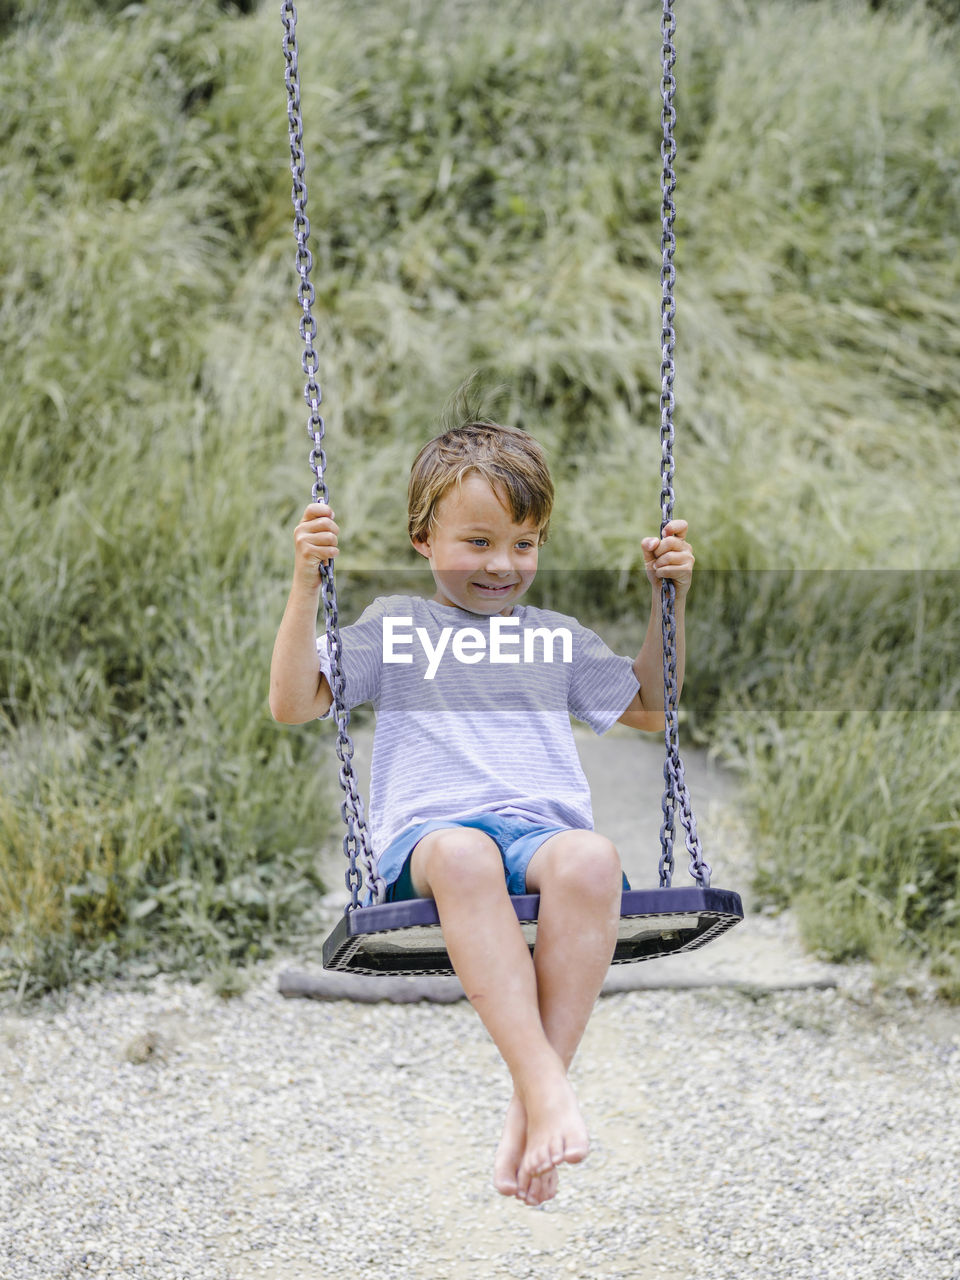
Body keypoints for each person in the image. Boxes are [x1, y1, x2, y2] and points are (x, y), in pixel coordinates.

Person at [269, 419, 694, 1208]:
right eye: (477, 542)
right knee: (464, 855)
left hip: (537, 834)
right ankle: (547, 1089)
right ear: (423, 539)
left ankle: (532, 1103)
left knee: (594, 859)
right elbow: (294, 702)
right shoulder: (395, 626)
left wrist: (669, 597)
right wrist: (305, 582)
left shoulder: (555, 640)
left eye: (524, 544)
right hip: (431, 845)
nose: (503, 565)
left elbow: (649, 707)